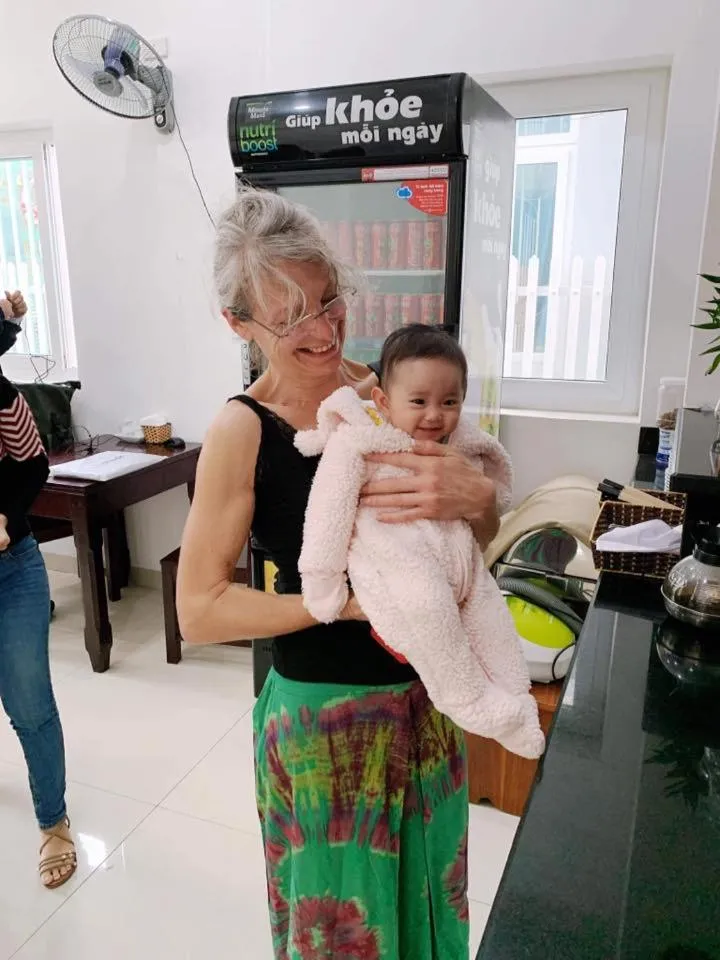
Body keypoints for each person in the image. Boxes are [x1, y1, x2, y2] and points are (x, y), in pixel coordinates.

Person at [177, 190, 502, 960]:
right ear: (239, 325)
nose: (322, 331)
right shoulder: (241, 429)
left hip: (429, 705)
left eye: (330, 301)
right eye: (291, 318)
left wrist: (480, 500)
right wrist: (339, 605)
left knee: (430, 910)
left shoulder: (393, 394)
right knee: (343, 935)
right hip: (325, 731)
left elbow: (466, 543)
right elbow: (201, 608)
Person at [294, 324, 544, 757]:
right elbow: (326, 514)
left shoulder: (461, 441)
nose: (434, 415)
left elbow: (494, 484)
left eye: (449, 402)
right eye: (418, 402)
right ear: (383, 401)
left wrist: (486, 497)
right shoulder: (359, 440)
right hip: (401, 565)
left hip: (463, 561)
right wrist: (322, 579)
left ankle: (518, 701)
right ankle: (471, 703)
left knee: (494, 620)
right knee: (431, 615)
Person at [0, 290, 76, 888]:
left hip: (12, 568)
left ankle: (54, 822)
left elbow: (33, 464)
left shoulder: (1, 395)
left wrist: (5, 516)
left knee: (29, 702)